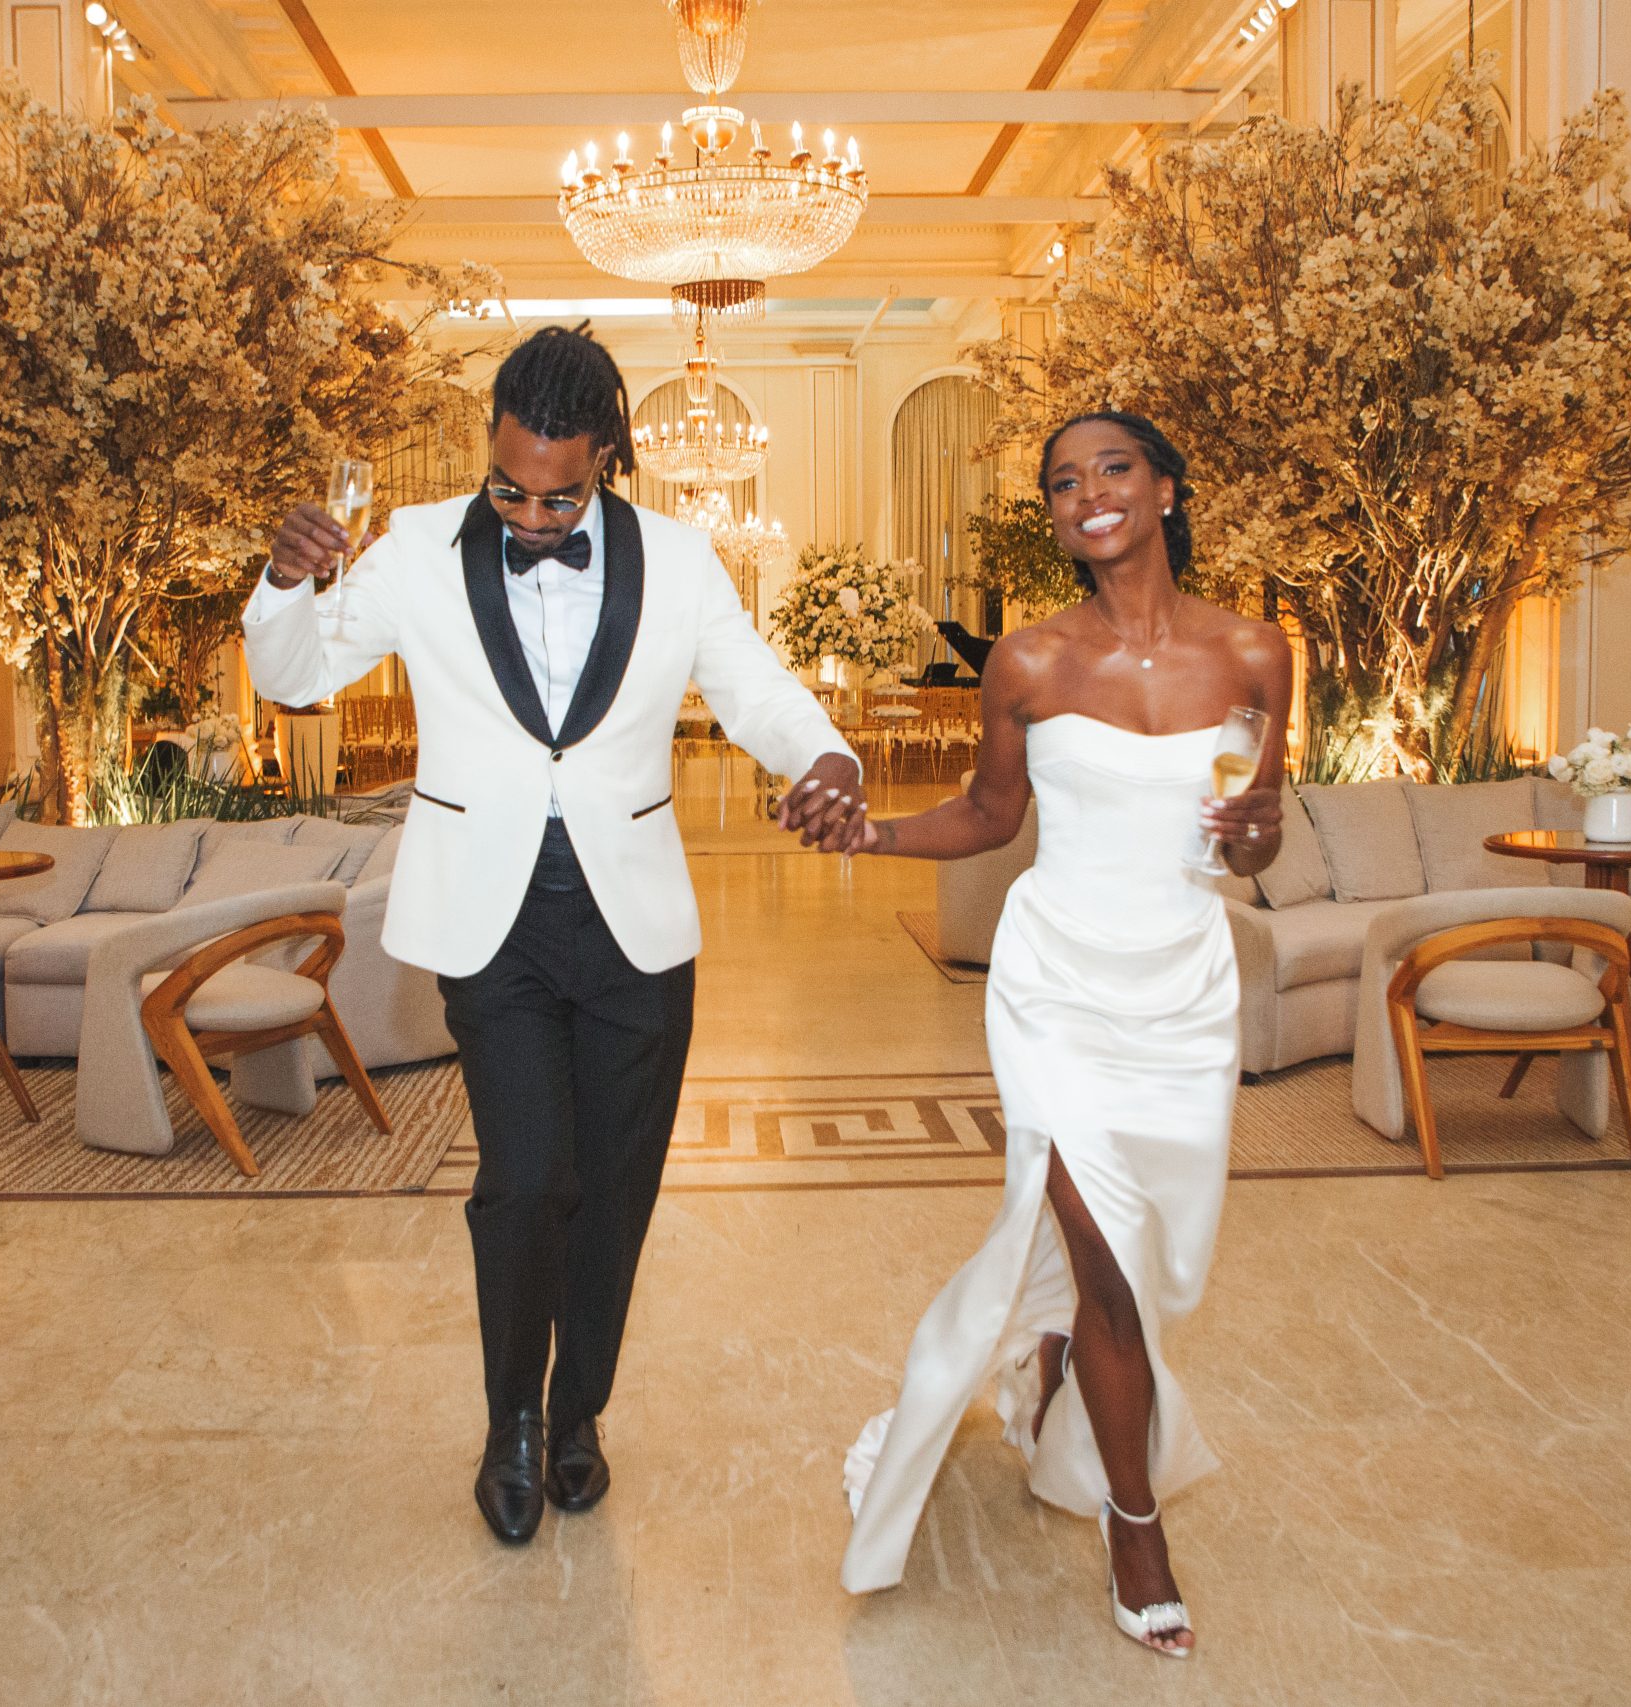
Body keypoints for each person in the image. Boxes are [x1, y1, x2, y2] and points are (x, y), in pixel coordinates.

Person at [244, 327, 867, 1545]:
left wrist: (828, 754)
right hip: (490, 922)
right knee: (527, 1180)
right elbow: (299, 676)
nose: (532, 516)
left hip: (634, 925)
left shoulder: (679, 561)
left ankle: (578, 1412)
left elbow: (751, 684)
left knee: (614, 1191)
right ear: (488, 449)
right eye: (510, 489)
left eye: (560, 495)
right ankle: (509, 1428)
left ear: (610, 462)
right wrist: (283, 581)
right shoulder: (418, 545)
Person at [829, 411, 1290, 1655]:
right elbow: (989, 815)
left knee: (1160, 1253)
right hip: (1055, 986)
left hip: (1183, 986)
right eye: (1060, 481)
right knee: (1108, 1266)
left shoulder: (1254, 651)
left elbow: (1262, 823)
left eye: (1112, 470)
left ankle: (1051, 1364)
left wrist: (1253, 839)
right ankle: (1132, 1526)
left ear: (1166, 488)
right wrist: (867, 833)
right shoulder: (1028, 663)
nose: (1086, 493)